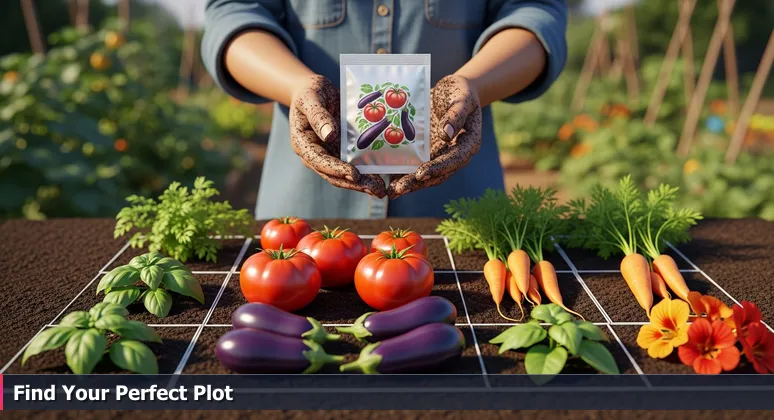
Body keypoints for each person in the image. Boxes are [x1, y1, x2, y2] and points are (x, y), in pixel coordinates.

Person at [202, 0, 567, 219]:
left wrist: (474, 85)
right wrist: (296, 86)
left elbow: (535, 11)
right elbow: (234, 12)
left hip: (461, 212)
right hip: (306, 217)